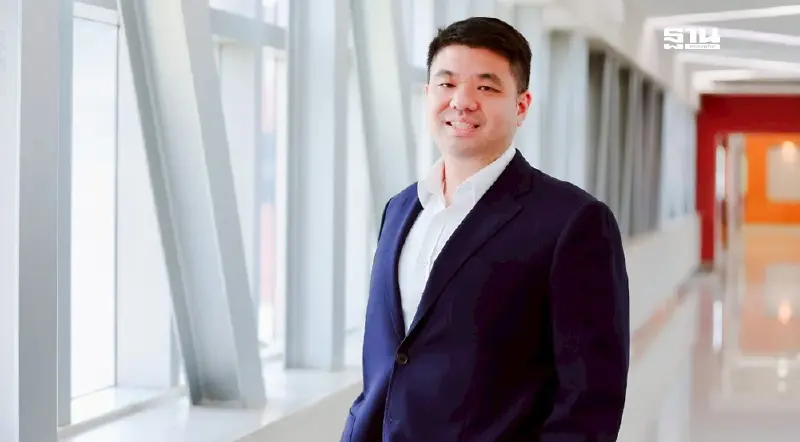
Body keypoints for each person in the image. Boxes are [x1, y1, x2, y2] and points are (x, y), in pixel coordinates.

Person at [340, 16, 629, 442]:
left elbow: (589, 400)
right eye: (447, 83)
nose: (462, 101)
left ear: (521, 106)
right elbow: (389, 360)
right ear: (428, 94)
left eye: (487, 87)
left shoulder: (573, 222)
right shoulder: (399, 209)